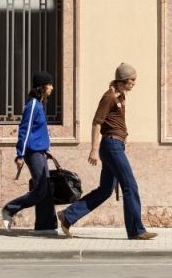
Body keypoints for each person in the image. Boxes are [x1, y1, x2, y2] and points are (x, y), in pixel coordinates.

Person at [56, 63, 157, 241]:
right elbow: (97, 122)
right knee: (130, 186)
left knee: (104, 190)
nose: (134, 83)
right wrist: (93, 150)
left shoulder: (119, 96)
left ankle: (68, 215)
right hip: (111, 147)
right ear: (124, 80)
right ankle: (136, 230)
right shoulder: (109, 97)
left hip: (115, 146)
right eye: (132, 80)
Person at [1, 72, 58, 234]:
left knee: (46, 189)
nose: (52, 88)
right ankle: (9, 209)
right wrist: (20, 154)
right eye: (50, 84)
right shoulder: (33, 105)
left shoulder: (39, 105)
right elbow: (24, 130)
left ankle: (45, 226)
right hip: (32, 153)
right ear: (42, 87)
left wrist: (45, 149)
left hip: (39, 152)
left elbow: (37, 131)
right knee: (40, 189)